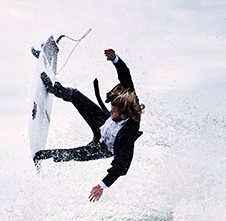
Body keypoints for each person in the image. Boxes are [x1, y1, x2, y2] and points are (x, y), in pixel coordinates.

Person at [34, 48, 144, 201]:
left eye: (113, 111)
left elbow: (122, 166)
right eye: (111, 109)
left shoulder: (127, 137)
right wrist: (115, 59)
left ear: (124, 116)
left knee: (76, 153)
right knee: (75, 95)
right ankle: (53, 88)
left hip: (105, 147)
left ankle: (47, 155)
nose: (111, 111)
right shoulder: (127, 99)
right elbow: (126, 76)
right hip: (102, 124)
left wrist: (102, 186)